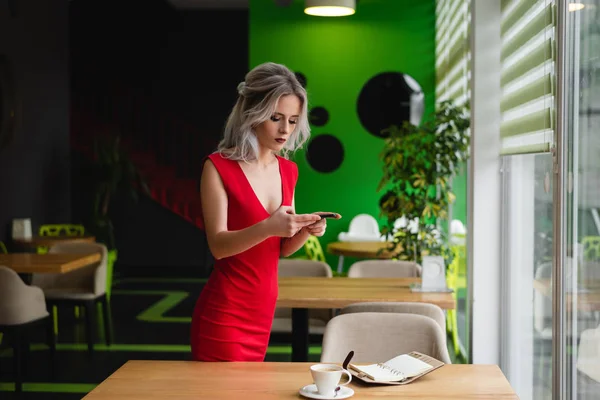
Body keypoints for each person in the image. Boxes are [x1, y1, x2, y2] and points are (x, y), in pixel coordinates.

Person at [190, 61, 340, 362]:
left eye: (294, 120)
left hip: (262, 313)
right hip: (225, 313)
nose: (286, 129)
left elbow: (281, 249)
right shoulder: (218, 167)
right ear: (253, 113)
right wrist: (270, 226)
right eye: (276, 118)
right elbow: (218, 247)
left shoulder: (288, 170)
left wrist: (306, 230)